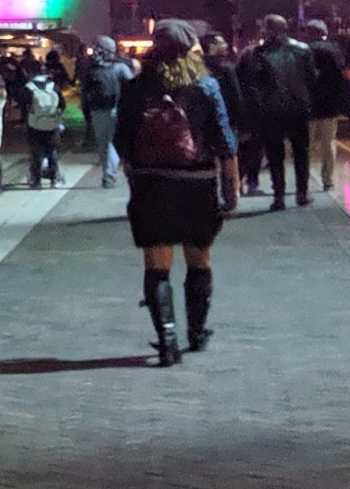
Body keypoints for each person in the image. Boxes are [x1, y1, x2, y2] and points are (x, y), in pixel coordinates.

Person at [115, 21, 237, 364]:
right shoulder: (206, 86)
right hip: (198, 182)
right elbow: (225, 141)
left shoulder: (137, 87)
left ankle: (167, 340)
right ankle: (196, 333)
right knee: (199, 260)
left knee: (157, 266)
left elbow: (121, 139)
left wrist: (134, 174)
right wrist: (231, 189)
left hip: (152, 183)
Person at [246, 14, 314, 210]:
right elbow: (311, 78)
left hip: (272, 109)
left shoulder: (260, 53)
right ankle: (302, 193)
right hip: (299, 107)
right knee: (301, 152)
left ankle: (279, 196)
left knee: (275, 155)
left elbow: (254, 83)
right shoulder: (302, 50)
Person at [202, 32, 250, 215]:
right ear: (212, 46)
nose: (226, 46)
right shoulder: (227, 68)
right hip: (227, 119)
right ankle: (230, 198)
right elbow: (236, 97)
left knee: (208, 159)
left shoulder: (199, 67)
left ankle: (210, 198)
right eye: (221, 43)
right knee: (228, 157)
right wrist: (241, 121)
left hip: (205, 120)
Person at [302, 20, 345, 194]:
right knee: (328, 143)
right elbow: (340, 77)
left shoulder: (304, 51)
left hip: (308, 105)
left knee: (307, 145)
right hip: (329, 106)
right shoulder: (334, 51)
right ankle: (327, 180)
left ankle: (304, 180)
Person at [80, 36, 127, 187]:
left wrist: (85, 108)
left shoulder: (91, 68)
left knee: (104, 143)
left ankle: (108, 173)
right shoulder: (121, 67)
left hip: (98, 110)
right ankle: (110, 173)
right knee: (114, 142)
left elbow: (84, 91)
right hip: (117, 108)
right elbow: (132, 86)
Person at [21, 66, 64, 185]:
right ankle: (53, 177)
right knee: (52, 150)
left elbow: (23, 105)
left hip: (34, 124)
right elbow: (62, 105)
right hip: (52, 123)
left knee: (36, 152)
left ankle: (36, 179)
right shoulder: (53, 86)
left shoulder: (29, 87)